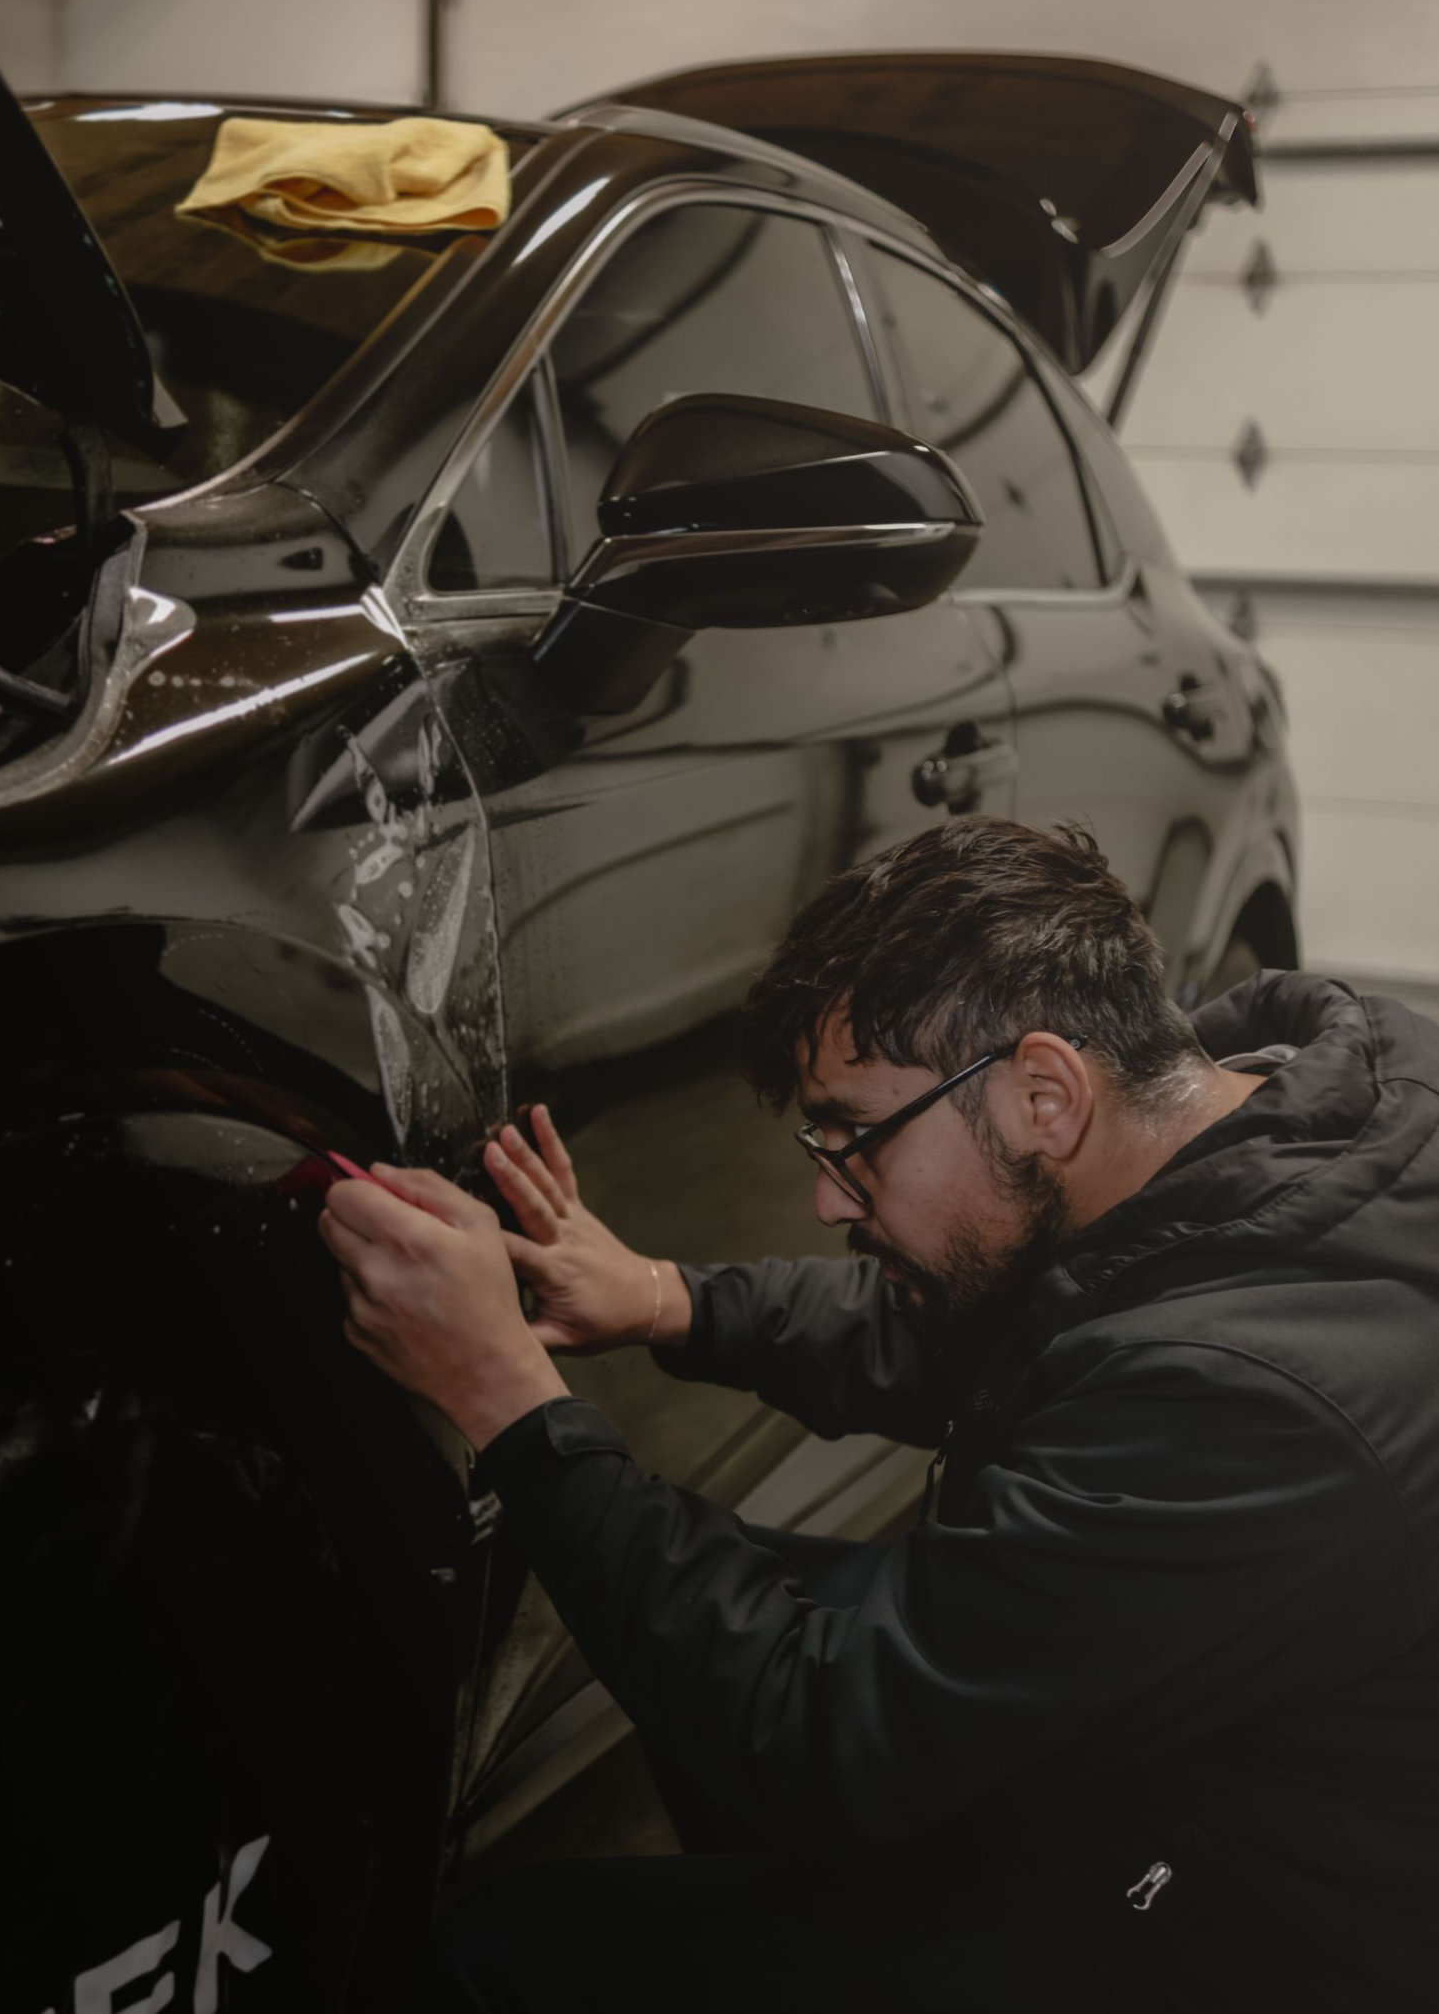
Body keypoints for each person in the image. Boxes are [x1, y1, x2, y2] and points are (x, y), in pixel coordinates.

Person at [317, 818, 1439, 2013]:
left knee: (506, 1955)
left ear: (1043, 1093)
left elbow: (822, 1732)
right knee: (720, 1612)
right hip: (1220, 1753)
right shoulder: (1271, 1114)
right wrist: (660, 1297)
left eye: (855, 1136)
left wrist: (506, 1397)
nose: (823, 1196)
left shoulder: (1246, 1404)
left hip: (1250, 1931)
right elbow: (989, 1317)